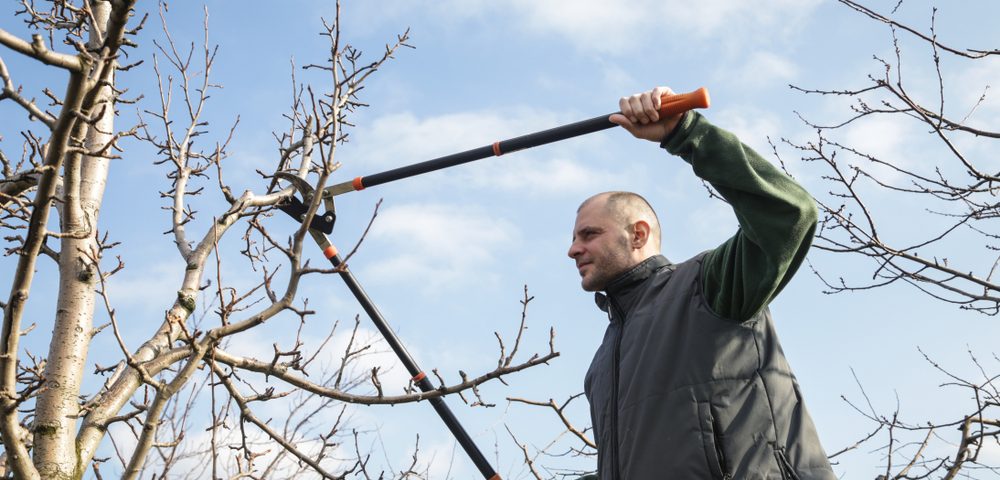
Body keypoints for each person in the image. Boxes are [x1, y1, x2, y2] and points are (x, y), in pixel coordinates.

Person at [567, 86, 836, 479]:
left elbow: (789, 212)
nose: (573, 250)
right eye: (574, 238)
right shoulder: (601, 365)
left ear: (638, 234)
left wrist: (685, 132)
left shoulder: (706, 286)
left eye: (588, 234)